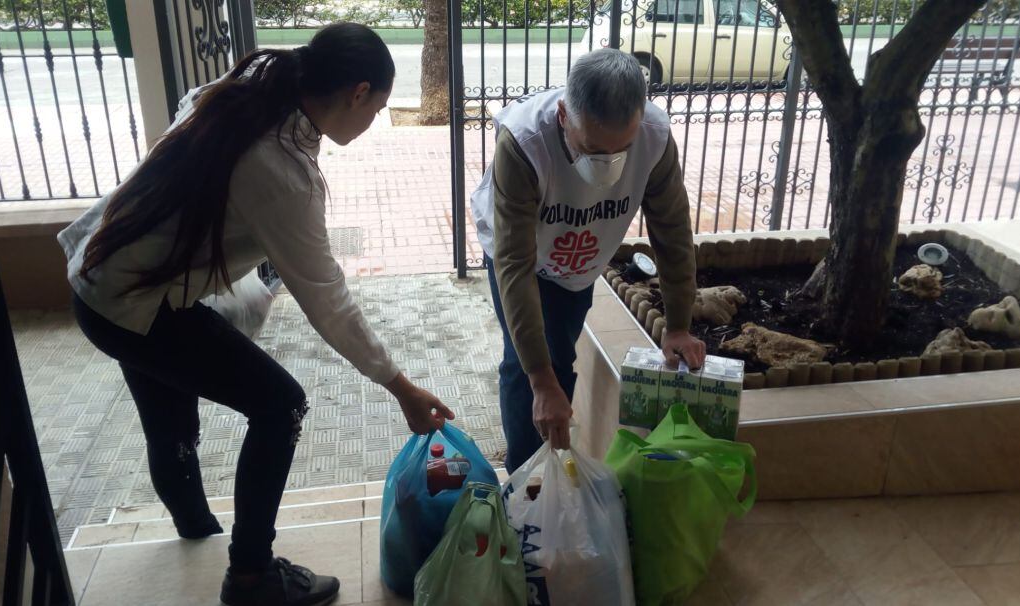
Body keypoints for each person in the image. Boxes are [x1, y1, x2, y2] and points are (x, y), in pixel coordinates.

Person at [58, 24, 452, 606]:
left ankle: (199, 541)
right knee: (279, 404)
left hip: (104, 281)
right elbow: (329, 300)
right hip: (134, 301)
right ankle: (249, 575)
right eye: (378, 109)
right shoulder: (282, 170)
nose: (372, 123)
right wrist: (401, 387)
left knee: (173, 425)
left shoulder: (255, 82)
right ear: (357, 92)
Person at [471, 49, 705, 473]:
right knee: (532, 369)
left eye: (622, 149)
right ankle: (527, 481)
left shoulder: (653, 137)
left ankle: (551, 461)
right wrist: (541, 380)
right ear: (563, 115)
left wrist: (677, 326)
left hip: (580, 260)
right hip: (522, 254)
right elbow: (515, 265)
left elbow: (671, 233)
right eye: (592, 148)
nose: (607, 165)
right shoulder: (524, 144)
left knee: (559, 356)